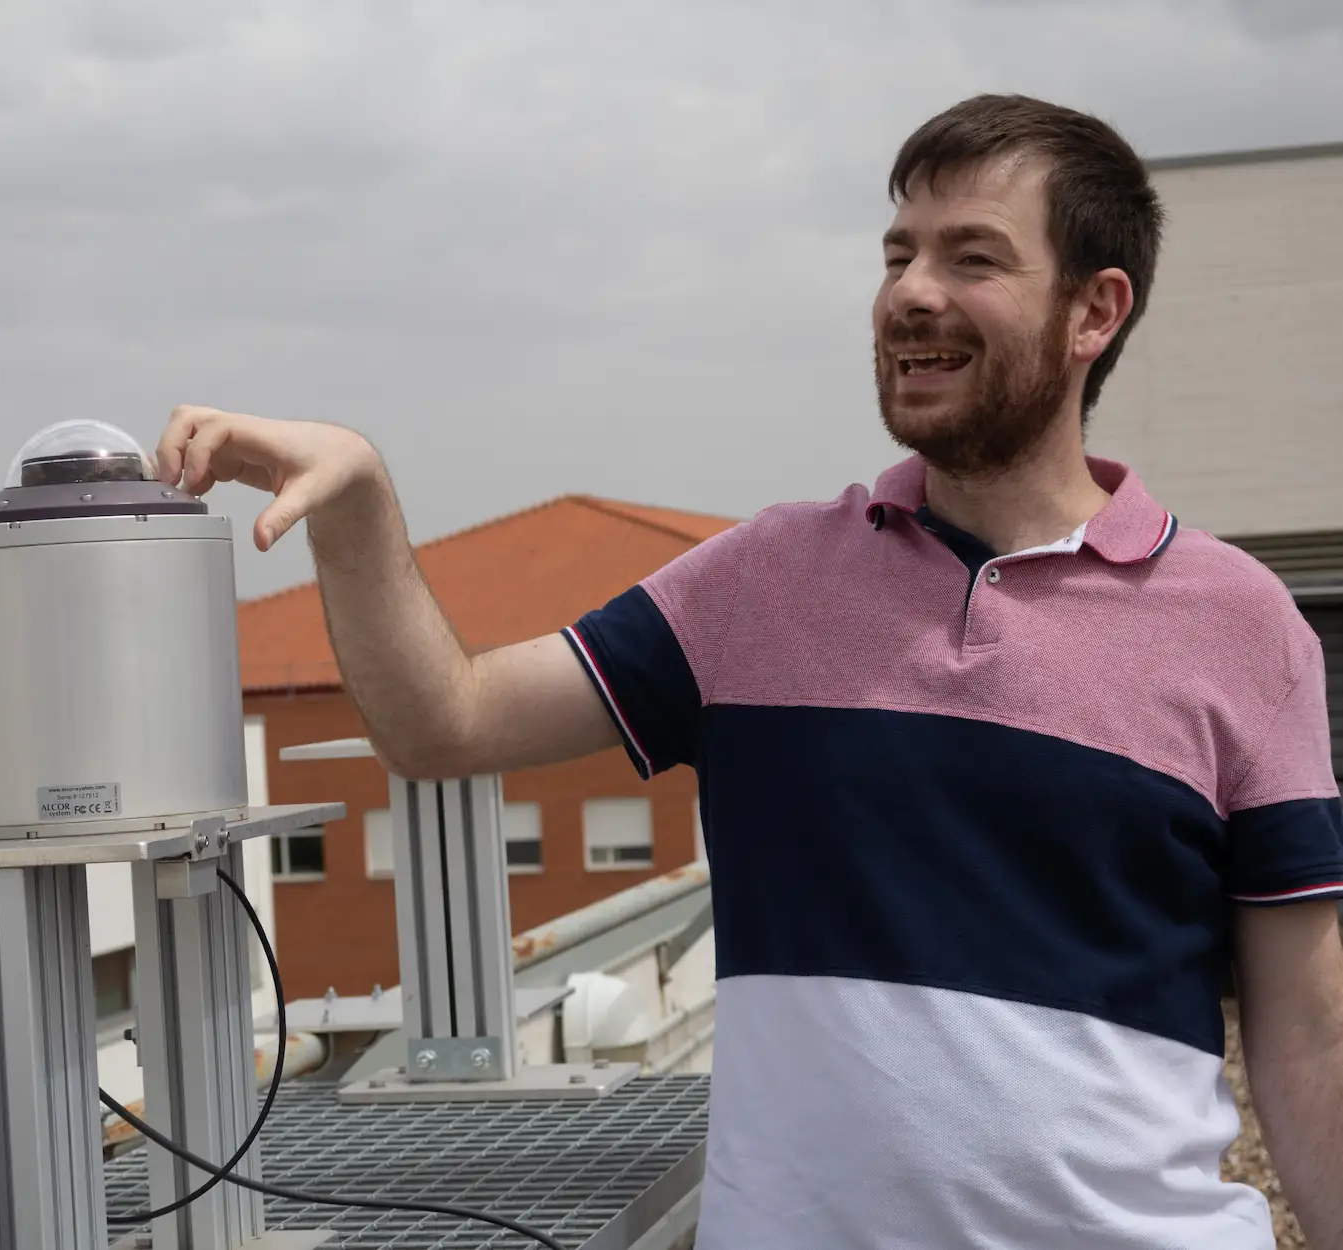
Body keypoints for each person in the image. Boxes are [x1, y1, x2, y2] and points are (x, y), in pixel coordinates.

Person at [155, 94, 1343, 1249]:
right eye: (898, 252)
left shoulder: (1241, 624)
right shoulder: (760, 580)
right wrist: (358, 495)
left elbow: (1308, 1031)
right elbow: (442, 724)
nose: (912, 292)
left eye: (972, 256)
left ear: (1096, 311)